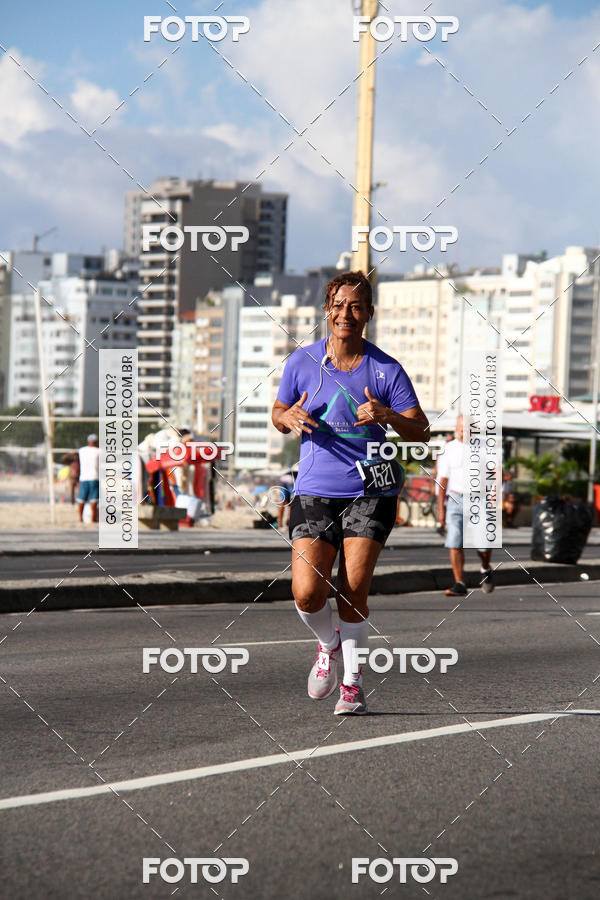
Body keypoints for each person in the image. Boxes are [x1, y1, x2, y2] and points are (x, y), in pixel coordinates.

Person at [271, 271, 429, 715]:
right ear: (327, 310)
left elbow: (422, 433)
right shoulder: (302, 362)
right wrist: (288, 419)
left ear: (369, 315)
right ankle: (329, 644)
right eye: (339, 305)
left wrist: (388, 415)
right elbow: (278, 411)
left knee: (353, 588)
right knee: (306, 594)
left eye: (356, 306)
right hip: (315, 489)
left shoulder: (386, 369)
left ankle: (353, 687)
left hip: (372, 490)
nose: (346, 314)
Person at [436, 416, 494, 596]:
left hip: (481, 498)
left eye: (467, 429)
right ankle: (459, 583)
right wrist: (440, 510)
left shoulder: (486, 447)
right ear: (456, 428)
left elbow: (495, 473)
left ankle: (485, 568)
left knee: (483, 543)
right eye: (460, 429)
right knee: (455, 541)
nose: (463, 432)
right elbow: (442, 480)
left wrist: (494, 495)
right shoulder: (449, 449)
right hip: (455, 498)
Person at [77, 434, 100, 524]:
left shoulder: (81, 450)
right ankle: (93, 519)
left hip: (83, 477)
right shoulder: (98, 451)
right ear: (95, 442)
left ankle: (80, 518)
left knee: (81, 499)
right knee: (94, 499)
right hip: (94, 477)